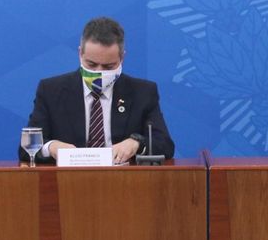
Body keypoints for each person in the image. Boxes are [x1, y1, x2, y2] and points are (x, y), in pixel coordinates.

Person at [25, 16, 174, 163]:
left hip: (125, 181)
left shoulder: (143, 92)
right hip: (67, 181)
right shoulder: (51, 90)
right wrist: (51, 147)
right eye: (91, 64)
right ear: (80, 54)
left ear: (122, 57)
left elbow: (165, 145)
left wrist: (136, 143)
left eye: (108, 67)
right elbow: (26, 149)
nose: (99, 72)